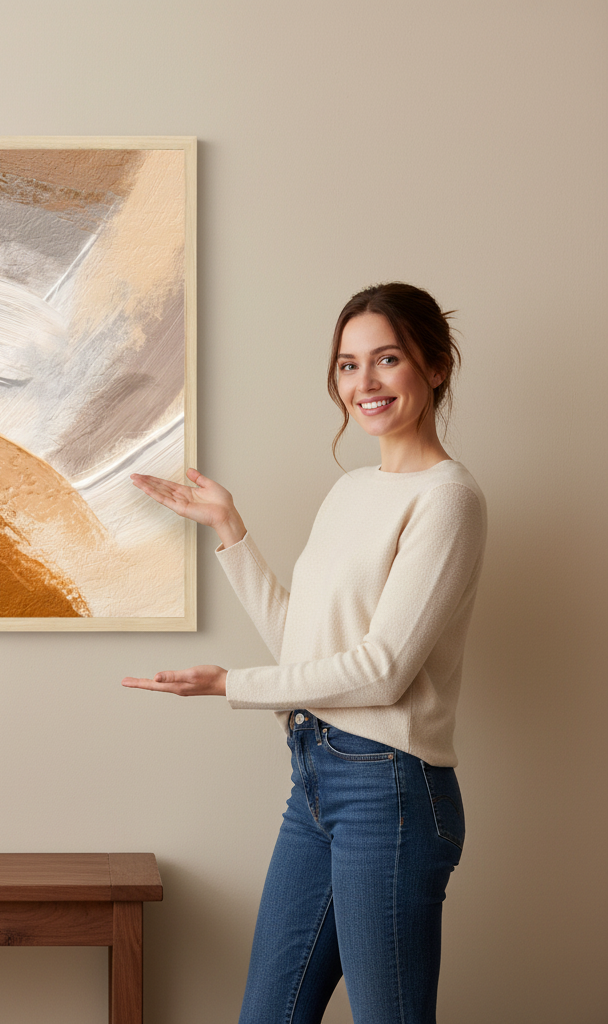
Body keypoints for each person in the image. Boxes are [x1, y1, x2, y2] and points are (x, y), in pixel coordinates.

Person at [123, 282, 486, 1024]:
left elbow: (383, 670)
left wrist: (231, 685)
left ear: (437, 365)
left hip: (390, 790)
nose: (366, 384)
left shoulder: (448, 498)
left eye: (387, 359)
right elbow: (303, 648)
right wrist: (230, 529)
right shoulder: (352, 489)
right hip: (315, 776)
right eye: (348, 365)